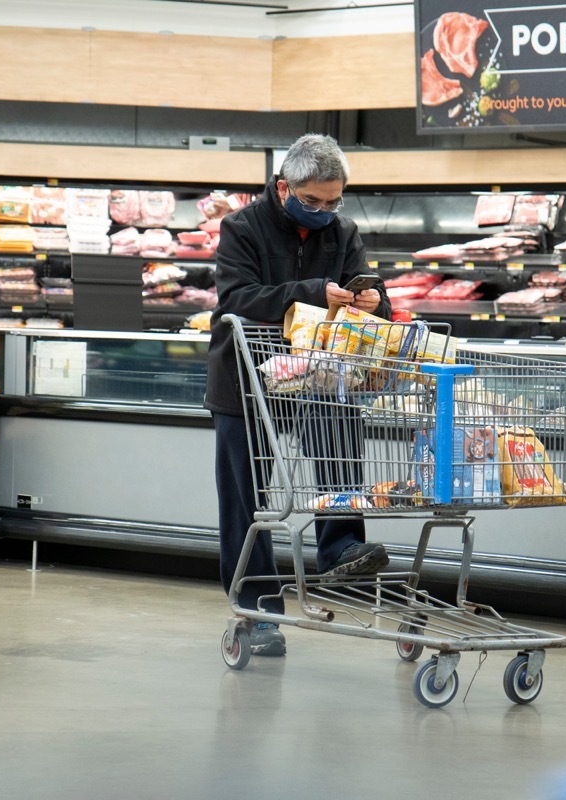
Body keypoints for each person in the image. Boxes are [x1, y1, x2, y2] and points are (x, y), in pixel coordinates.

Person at [205, 133, 392, 657]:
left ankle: (340, 548)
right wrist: (310, 292)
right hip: (244, 380)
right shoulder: (241, 227)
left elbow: (374, 298)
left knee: (339, 439)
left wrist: (376, 301)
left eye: (334, 202)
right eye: (312, 202)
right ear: (284, 187)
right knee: (247, 498)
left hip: (318, 379)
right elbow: (236, 299)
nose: (324, 212)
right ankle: (258, 610)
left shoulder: (344, 232)